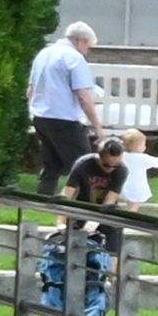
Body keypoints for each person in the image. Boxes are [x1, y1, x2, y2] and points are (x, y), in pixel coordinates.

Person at [26, 20, 103, 195]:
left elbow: (30, 90)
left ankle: (43, 200)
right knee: (85, 165)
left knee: (51, 165)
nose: (87, 51)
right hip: (64, 119)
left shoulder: (43, 54)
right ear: (81, 41)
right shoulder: (74, 58)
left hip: (41, 117)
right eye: (88, 47)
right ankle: (87, 204)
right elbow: (83, 96)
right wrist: (98, 127)